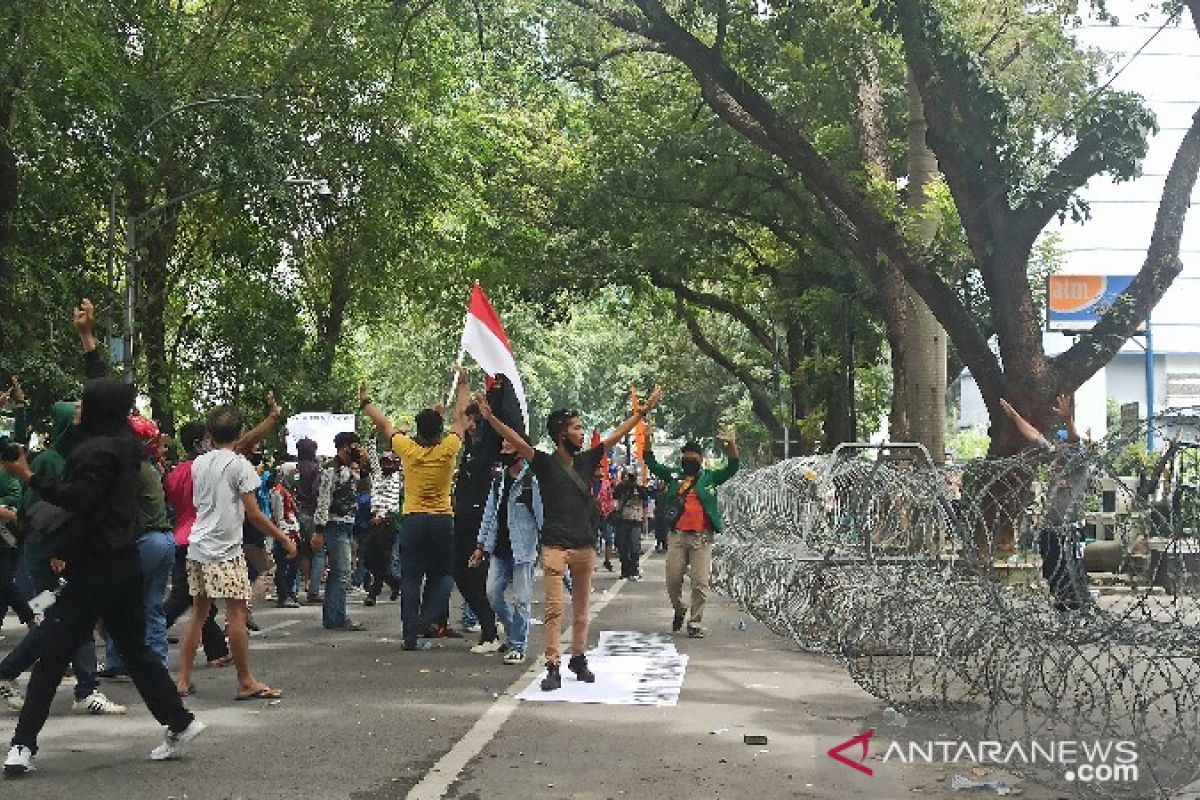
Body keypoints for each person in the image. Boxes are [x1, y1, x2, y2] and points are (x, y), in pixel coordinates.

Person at [0, 304, 203, 774]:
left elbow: (80, 499)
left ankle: (22, 746)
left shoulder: (97, 451)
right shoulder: (124, 439)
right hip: (123, 563)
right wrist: (88, 341)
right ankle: (179, 721)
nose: (78, 406)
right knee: (134, 649)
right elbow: (109, 391)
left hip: (94, 566)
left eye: (83, 403)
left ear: (96, 412)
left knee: (52, 654)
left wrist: (29, 475)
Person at [478, 383, 662, 691]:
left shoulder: (588, 460)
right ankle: (553, 664)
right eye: (576, 428)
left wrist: (642, 413)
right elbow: (514, 440)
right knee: (554, 610)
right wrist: (490, 419)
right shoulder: (543, 463)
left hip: (584, 547)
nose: (581, 432)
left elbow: (617, 434)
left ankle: (578, 657)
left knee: (581, 611)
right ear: (562, 434)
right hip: (554, 547)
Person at [174, 405, 297, 701]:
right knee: (237, 613)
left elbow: (233, 448)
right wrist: (283, 538)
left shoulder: (200, 463)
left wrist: (269, 419)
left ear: (209, 434)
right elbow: (253, 514)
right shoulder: (241, 466)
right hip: (225, 549)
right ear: (240, 434)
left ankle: (182, 679)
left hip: (198, 547)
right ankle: (245, 681)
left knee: (198, 615)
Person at [359, 368, 470, 650]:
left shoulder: (407, 448)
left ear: (418, 430)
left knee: (410, 577)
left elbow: (384, 424)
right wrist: (463, 385)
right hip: (442, 520)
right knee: (443, 574)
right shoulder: (449, 448)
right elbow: (461, 418)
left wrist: (365, 402)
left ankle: (409, 635)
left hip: (412, 520)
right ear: (439, 430)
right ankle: (429, 618)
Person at [999, 394, 1092, 611]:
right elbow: (1034, 436)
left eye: (1063, 443)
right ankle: (1062, 605)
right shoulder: (1056, 459)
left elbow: (1075, 441)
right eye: (1058, 442)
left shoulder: (1079, 464)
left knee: (1071, 569)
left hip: (1069, 529)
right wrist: (1014, 415)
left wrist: (1068, 419)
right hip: (1051, 529)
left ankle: (1079, 606)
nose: (1058, 446)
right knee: (1052, 569)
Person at [98, 415, 175, 677]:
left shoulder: (132, 471)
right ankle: (157, 664)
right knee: (152, 604)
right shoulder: (149, 469)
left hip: (145, 541)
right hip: (164, 540)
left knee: (118, 600)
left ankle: (116, 661)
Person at [645, 432, 739, 638]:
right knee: (672, 580)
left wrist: (731, 445)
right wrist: (647, 440)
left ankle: (695, 623)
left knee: (700, 583)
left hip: (701, 538)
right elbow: (651, 463)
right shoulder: (673, 476)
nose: (689, 461)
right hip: (677, 537)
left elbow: (732, 467)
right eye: (686, 457)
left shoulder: (710, 478)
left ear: (701, 459)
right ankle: (679, 609)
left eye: (693, 457)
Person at [163, 421, 231, 669]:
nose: (210, 443)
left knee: (200, 598)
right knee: (184, 597)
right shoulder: (207, 470)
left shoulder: (174, 474)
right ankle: (145, 637)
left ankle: (217, 651)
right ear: (197, 443)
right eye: (207, 439)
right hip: (202, 539)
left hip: (180, 537)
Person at [470, 436, 542, 664]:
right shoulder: (498, 480)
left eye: (508, 446)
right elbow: (489, 515)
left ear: (522, 451)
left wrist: (550, 547)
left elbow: (542, 518)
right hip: (499, 550)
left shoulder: (533, 482)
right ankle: (513, 634)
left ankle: (519, 646)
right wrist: (481, 546)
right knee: (492, 594)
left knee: (522, 600)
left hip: (523, 550)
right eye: (502, 445)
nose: (503, 449)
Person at [314, 431, 371, 631]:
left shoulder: (351, 469)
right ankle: (337, 617)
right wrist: (319, 529)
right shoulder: (331, 469)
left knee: (340, 572)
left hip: (347, 524)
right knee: (342, 572)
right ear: (345, 446)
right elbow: (323, 500)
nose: (358, 449)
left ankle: (334, 616)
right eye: (355, 445)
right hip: (334, 524)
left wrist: (365, 466)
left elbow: (366, 488)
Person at [363, 433, 402, 606]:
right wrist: (372, 437)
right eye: (383, 462)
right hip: (374, 521)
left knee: (382, 559)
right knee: (368, 558)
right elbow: (371, 454)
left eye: (389, 462)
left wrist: (400, 436)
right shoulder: (377, 476)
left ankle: (373, 593)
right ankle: (394, 582)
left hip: (388, 523)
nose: (386, 464)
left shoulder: (398, 478)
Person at [293, 437, 326, 603]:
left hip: (298, 512)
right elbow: (317, 492)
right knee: (319, 552)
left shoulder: (295, 469)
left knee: (304, 551)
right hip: (312, 513)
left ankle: (304, 583)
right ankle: (314, 590)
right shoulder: (316, 469)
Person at [269, 471, 301, 608]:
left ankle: (290, 593)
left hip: (293, 531)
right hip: (284, 533)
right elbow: (278, 516)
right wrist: (284, 535)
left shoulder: (289, 491)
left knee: (293, 566)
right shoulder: (278, 492)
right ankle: (283, 595)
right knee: (283, 566)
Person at [612, 469, 648, 580]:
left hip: (635, 521)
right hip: (622, 520)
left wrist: (637, 486)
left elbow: (645, 499)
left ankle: (634, 570)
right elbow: (615, 495)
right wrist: (623, 484)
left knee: (634, 547)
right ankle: (625, 570)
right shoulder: (621, 488)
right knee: (623, 547)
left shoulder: (639, 489)